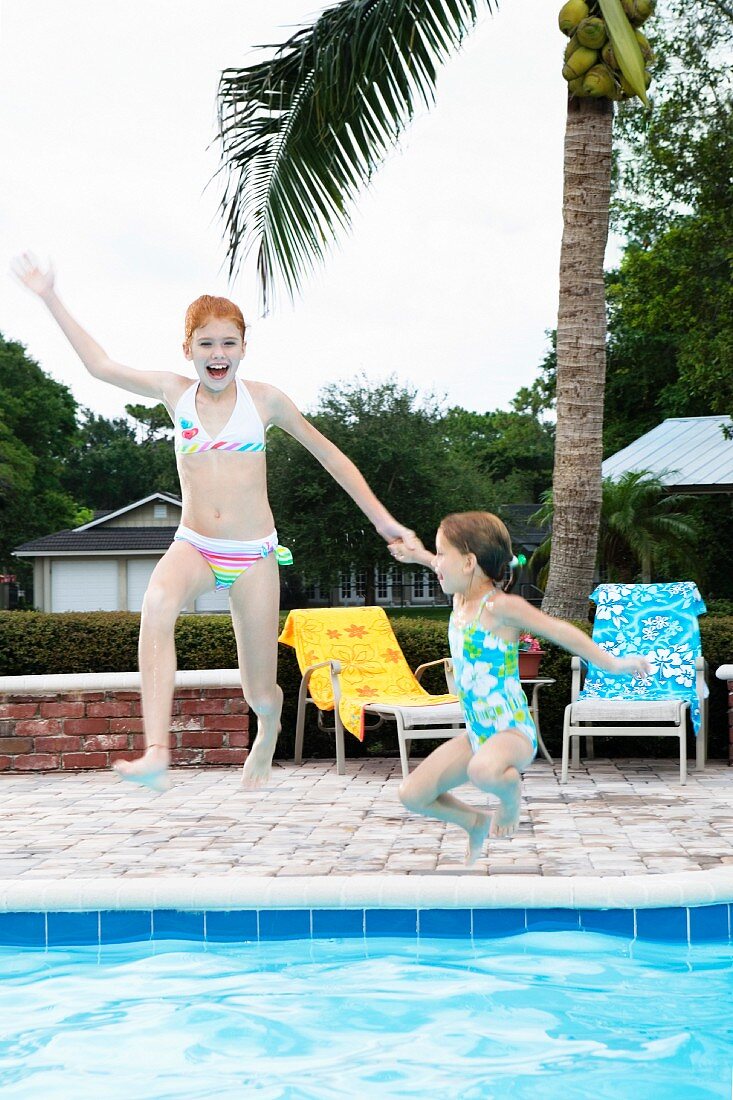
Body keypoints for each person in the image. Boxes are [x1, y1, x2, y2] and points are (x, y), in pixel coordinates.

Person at [13, 254, 416, 792]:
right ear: (188, 350)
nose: (217, 353)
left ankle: (268, 724)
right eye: (206, 344)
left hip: (254, 555)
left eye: (228, 343)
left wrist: (383, 521)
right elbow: (100, 366)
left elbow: (332, 458)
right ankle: (157, 750)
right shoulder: (175, 394)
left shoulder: (266, 401)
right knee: (156, 604)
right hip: (197, 545)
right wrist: (49, 296)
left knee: (259, 689)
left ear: (244, 348)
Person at [388, 512, 651, 864]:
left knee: (483, 771)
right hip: (478, 734)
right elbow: (438, 562)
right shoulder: (460, 598)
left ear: (468, 562)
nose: (437, 564)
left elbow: (561, 631)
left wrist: (616, 664)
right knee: (413, 794)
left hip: (512, 731)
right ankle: (474, 822)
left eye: (442, 554)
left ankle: (511, 803)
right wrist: (416, 553)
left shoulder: (500, 606)